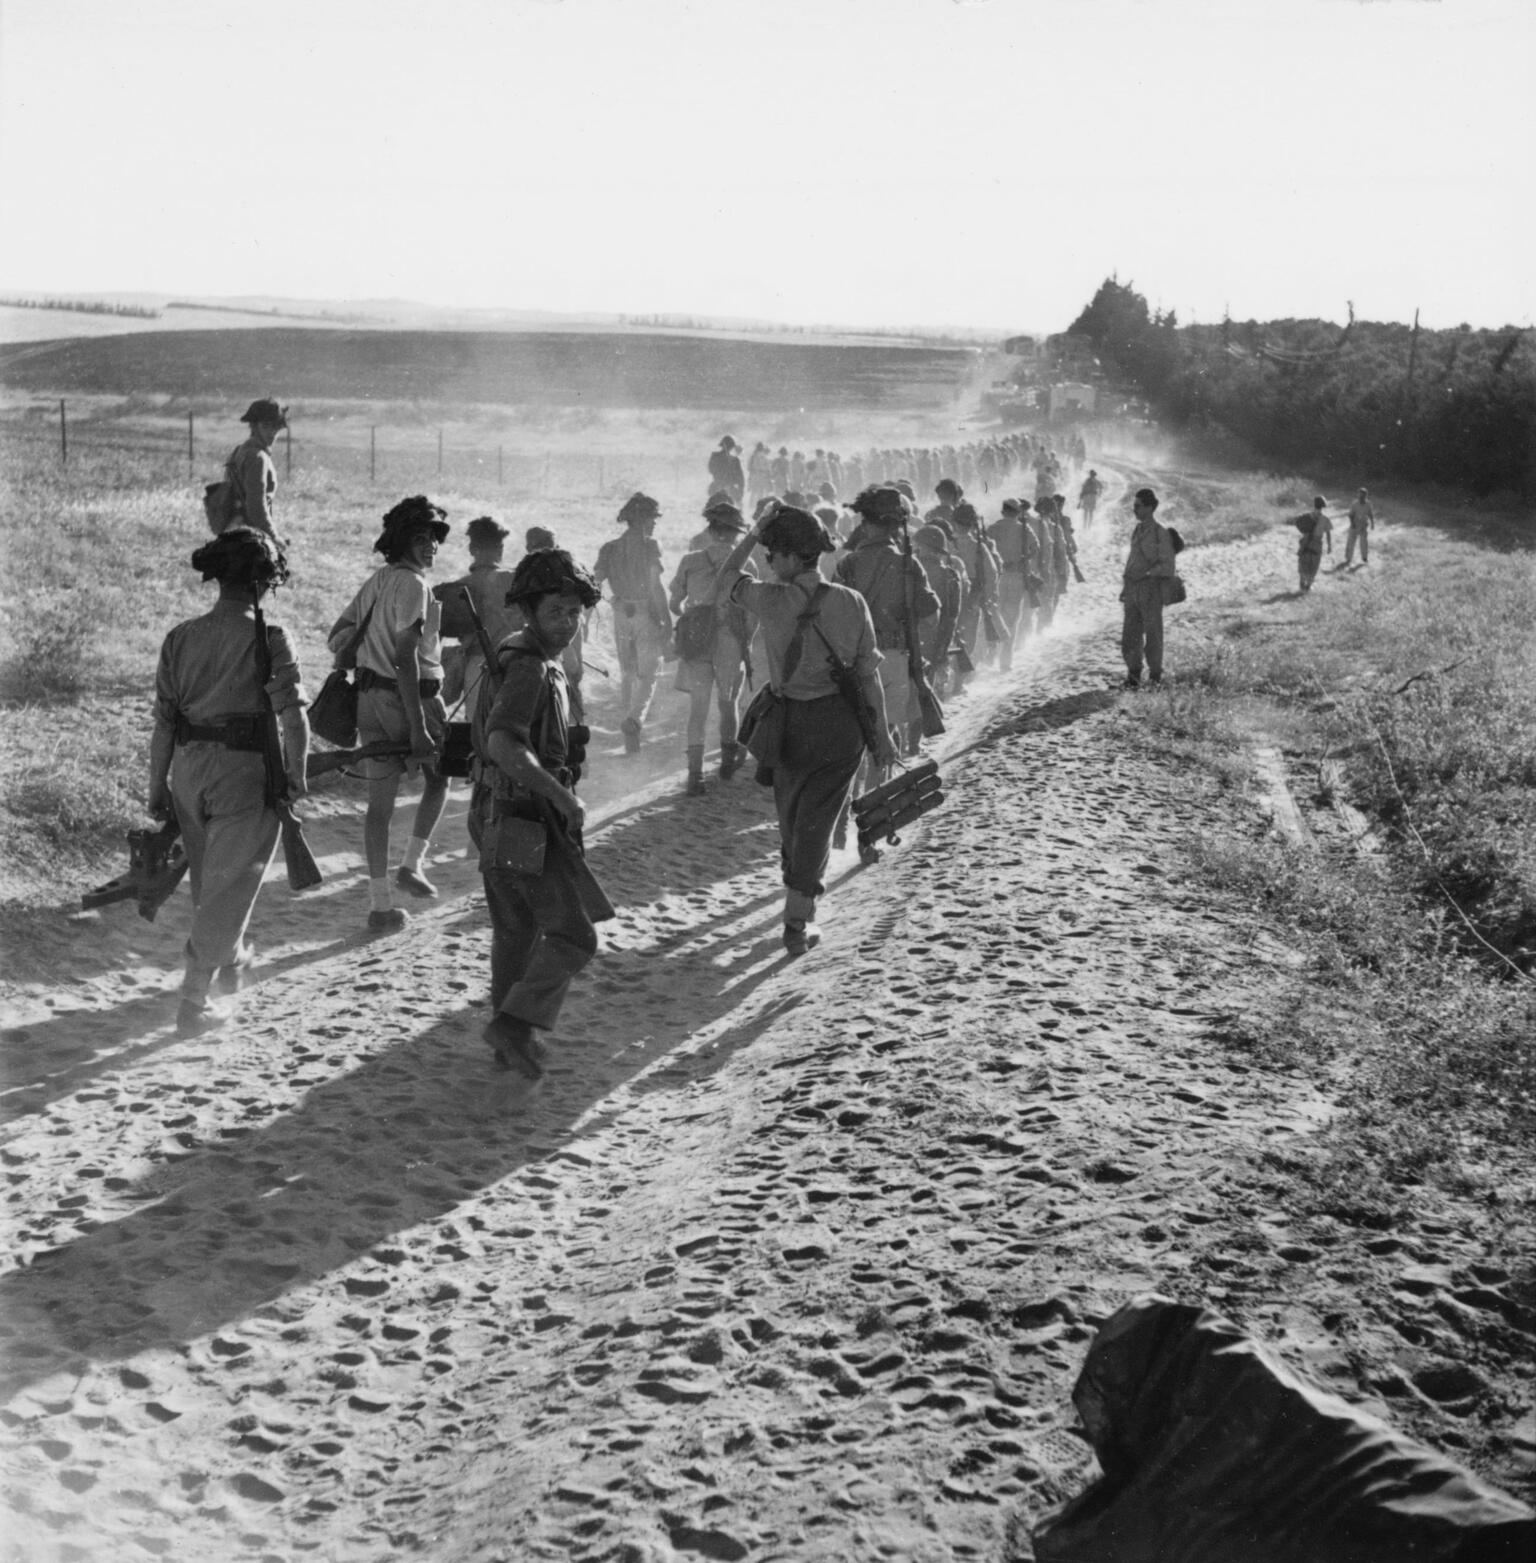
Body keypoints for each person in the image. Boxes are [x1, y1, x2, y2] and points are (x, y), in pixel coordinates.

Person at [147, 528, 308, 1036]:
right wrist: (297, 777)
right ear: (266, 581)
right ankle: (193, 1001)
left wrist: (157, 786)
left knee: (210, 882)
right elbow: (293, 718)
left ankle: (233, 958)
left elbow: (164, 722)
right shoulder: (271, 638)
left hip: (188, 771)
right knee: (230, 883)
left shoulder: (181, 636)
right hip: (245, 773)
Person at [718, 505, 896, 955]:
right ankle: (799, 911)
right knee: (814, 819)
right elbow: (868, 676)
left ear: (796, 558)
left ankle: (797, 914)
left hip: (787, 726)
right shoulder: (851, 602)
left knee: (793, 817)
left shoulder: (770, 600)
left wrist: (754, 529)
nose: (768, 562)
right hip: (840, 728)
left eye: (774, 554)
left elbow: (726, 577)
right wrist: (883, 734)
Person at [474, 549, 613, 1082]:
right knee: (576, 938)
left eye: (576, 611)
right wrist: (560, 795)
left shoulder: (517, 653)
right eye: (558, 610)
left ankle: (508, 1037)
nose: (570, 622)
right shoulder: (529, 666)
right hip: (526, 817)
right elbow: (504, 743)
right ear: (530, 610)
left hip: (498, 813)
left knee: (515, 931)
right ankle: (513, 1027)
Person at [328, 495, 451, 928]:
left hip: (368, 702)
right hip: (407, 699)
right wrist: (418, 727)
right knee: (441, 778)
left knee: (379, 808)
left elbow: (337, 635)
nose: (430, 547)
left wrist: (364, 649)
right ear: (400, 543)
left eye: (433, 539)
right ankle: (412, 864)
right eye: (420, 539)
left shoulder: (379, 581)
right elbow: (406, 658)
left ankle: (380, 906)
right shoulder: (415, 586)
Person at [835, 485, 940, 777]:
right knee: (887, 732)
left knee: (855, 736)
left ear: (866, 525)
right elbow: (931, 616)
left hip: (852, 661)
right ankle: (877, 800)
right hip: (894, 656)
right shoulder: (909, 564)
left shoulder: (848, 563)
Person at [668, 497, 758, 793]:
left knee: (698, 708)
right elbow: (751, 615)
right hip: (730, 641)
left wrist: (695, 617)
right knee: (728, 702)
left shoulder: (690, 561)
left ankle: (695, 776)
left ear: (711, 529)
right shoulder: (748, 565)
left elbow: (675, 603)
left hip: (698, 640)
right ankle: (727, 763)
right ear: (736, 533)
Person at [594, 492, 672, 754]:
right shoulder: (651, 545)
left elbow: (595, 582)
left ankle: (628, 728)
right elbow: (655, 585)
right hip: (644, 613)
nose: (654, 524)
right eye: (652, 519)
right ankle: (634, 720)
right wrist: (667, 620)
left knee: (627, 672)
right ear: (644, 520)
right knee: (648, 675)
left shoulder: (608, 548)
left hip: (620, 613)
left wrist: (613, 600)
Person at [435, 516, 517, 716]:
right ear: (501, 549)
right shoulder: (517, 581)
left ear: (472, 550)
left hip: (477, 668)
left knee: (478, 731)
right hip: (517, 664)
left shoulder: (455, 588)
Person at [1120, 487, 1177, 689]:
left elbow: (1167, 566)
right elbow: (1132, 559)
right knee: (1129, 636)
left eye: (1138, 506)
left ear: (1150, 508)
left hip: (1151, 590)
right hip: (1133, 590)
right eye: (1134, 506)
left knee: (1153, 635)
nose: (1134, 510)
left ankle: (1155, 677)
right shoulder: (1138, 530)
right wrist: (1126, 586)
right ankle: (1133, 676)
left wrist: (1146, 575)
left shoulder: (1160, 533)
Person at [217, 398, 286, 537]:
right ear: (254, 426)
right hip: (250, 538)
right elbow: (256, 507)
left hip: (231, 532)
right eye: (266, 426)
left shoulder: (240, 450)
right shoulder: (258, 458)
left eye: (276, 427)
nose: (272, 433)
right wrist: (273, 536)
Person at [989, 498, 1028, 671]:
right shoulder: (1024, 529)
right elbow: (1034, 549)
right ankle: (1006, 662)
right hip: (1016, 577)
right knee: (1011, 620)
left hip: (997, 577)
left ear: (1003, 511)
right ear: (1018, 512)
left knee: (994, 616)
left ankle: (989, 657)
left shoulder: (993, 528)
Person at [1295, 496, 1333, 591]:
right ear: (1323, 506)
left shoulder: (1307, 516)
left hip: (1306, 542)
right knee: (1314, 564)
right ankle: (1308, 585)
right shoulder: (1325, 519)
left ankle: (1302, 583)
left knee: (1303, 561)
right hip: (1317, 544)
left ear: (1314, 505)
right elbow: (1328, 533)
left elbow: (1298, 524)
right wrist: (1329, 545)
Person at [708, 437, 745, 504]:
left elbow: (711, 469)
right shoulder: (735, 460)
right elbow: (740, 478)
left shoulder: (715, 456)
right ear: (731, 447)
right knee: (738, 507)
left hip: (718, 485)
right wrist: (741, 489)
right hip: (729, 488)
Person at [1345, 487, 1375, 566]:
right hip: (1354, 524)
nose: (1361, 497)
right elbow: (1350, 515)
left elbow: (1370, 514)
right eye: (1360, 496)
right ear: (1358, 496)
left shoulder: (1368, 504)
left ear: (1366, 496)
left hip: (1363, 525)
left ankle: (1364, 557)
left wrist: (1372, 523)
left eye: (1363, 496)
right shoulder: (1354, 504)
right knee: (1351, 541)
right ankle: (1348, 558)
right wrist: (1352, 524)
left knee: (1364, 542)